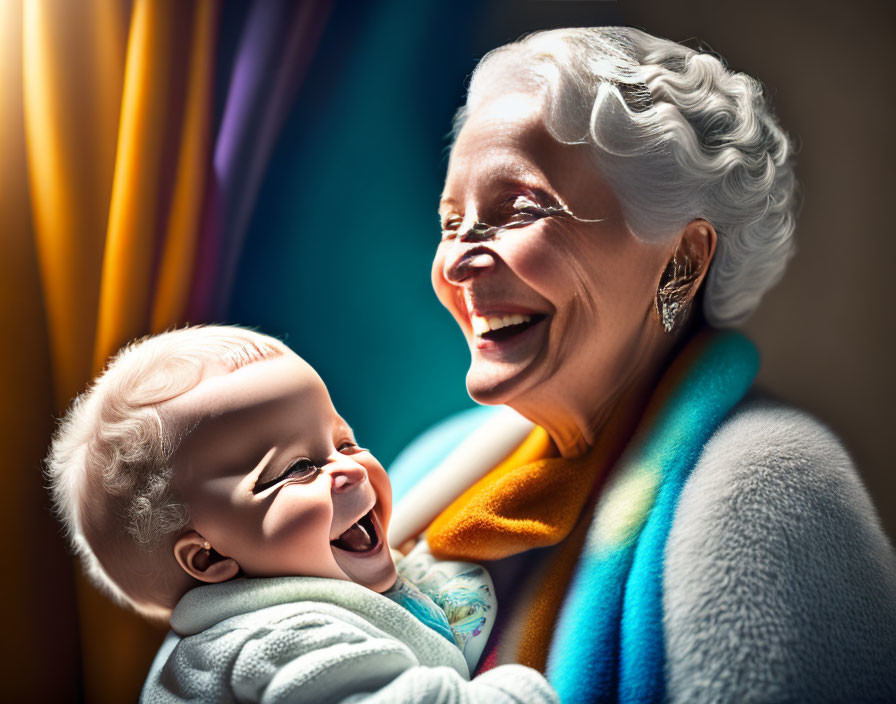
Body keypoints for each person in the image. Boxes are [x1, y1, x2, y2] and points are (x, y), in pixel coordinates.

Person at [387, 26, 896, 702]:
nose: (457, 262)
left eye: (520, 209)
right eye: (452, 223)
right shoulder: (433, 466)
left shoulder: (768, 493)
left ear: (682, 263)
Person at [45, 325, 557, 704]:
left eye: (345, 441)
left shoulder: (299, 587)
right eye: (299, 468)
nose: (349, 472)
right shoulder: (277, 641)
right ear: (208, 557)